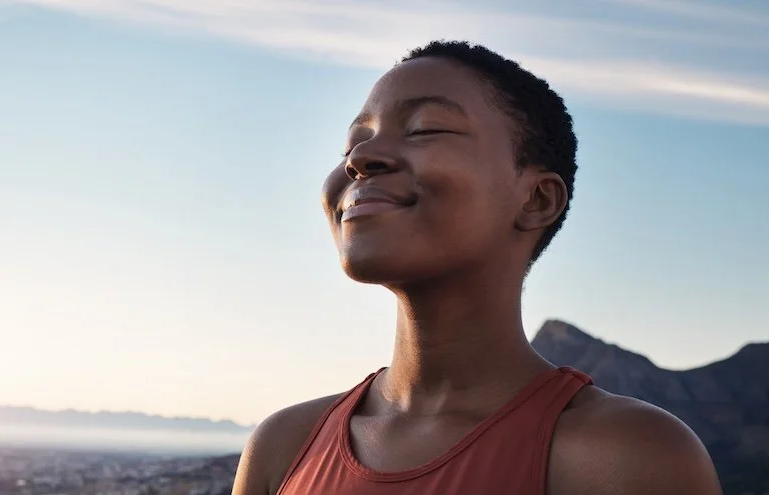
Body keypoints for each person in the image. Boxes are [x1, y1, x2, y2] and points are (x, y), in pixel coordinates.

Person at [232, 40, 722, 495]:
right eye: (353, 143)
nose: (360, 158)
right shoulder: (283, 445)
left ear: (535, 199)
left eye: (425, 129)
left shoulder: (627, 457)